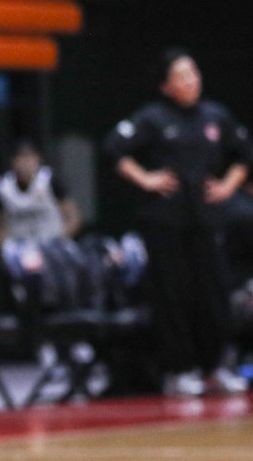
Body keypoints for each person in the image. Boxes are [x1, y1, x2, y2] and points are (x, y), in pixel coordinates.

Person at [106, 49, 249, 397]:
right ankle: (179, 370)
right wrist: (146, 179)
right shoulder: (153, 117)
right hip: (166, 221)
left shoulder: (216, 116)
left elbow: (244, 155)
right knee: (174, 297)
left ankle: (215, 366)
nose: (190, 81)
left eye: (193, 73)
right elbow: (114, 149)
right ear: (166, 86)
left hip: (206, 220)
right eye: (181, 76)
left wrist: (228, 186)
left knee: (213, 294)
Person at [0, 139, 80, 248]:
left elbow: (73, 217)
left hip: (52, 245)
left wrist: (60, 240)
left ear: (38, 159)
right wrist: (6, 249)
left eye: (28, 158)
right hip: (21, 248)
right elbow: (0, 225)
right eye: (19, 158)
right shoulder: (4, 187)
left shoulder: (50, 180)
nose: (24, 164)